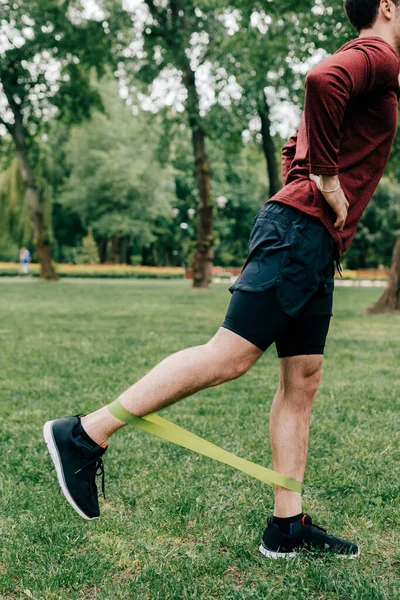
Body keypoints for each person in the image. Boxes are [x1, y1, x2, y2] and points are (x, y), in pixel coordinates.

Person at [43, 0, 400, 559]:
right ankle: (84, 433)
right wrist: (326, 185)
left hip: (310, 238)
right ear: (387, 6)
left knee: (302, 378)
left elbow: (295, 142)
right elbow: (320, 81)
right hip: (301, 233)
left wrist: (306, 184)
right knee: (229, 356)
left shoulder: (368, 61)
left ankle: (286, 526)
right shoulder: (378, 54)